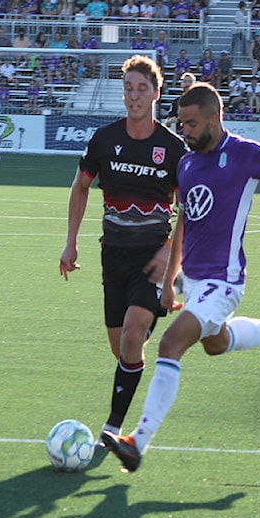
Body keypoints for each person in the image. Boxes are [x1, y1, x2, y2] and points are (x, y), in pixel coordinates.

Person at [102, 82, 260, 472]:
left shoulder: (244, 155)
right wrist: (171, 280)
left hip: (225, 281)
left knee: (170, 343)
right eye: (181, 122)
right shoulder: (186, 163)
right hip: (194, 280)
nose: (183, 130)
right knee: (215, 344)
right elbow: (185, 220)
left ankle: (138, 441)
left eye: (191, 123)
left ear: (215, 118)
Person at [59, 55, 187, 448]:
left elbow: (189, 210)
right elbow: (81, 186)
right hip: (112, 256)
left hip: (153, 261)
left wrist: (170, 255)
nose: (134, 96)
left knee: (132, 336)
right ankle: (144, 333)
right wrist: (71, 241)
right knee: (124, 349)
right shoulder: (104, 140)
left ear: (156, 93)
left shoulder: (173, 148)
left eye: (142, 89)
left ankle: (112, 428)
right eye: (128, 88)